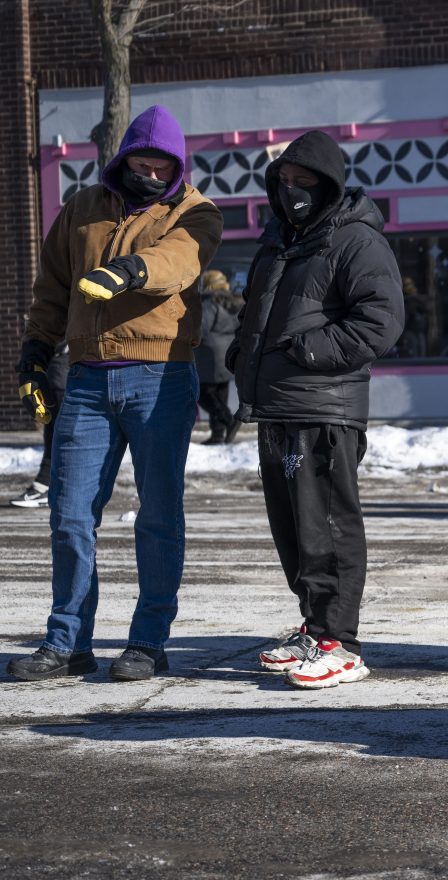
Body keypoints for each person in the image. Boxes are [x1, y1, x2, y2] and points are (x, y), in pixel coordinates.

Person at [8, 104, 223, 682]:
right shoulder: (81, 208)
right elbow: (52, 286)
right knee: (69, 512)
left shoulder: (196, 211)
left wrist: (128, 272)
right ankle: (67, 642)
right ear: (122, 159)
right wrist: (34, 352)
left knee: (157, 514)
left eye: (161, 169)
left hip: (161, 378)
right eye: (140, 165)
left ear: (176, 169)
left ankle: (148, 642)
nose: (149, 177)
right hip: (87, 378)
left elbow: (179, 261)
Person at [228, 129, 403, 689]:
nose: (293, 193)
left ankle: (341, 642)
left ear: (329, 188)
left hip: (325, 408)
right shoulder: (279, 242)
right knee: (293, 529)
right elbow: (257, 315)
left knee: (326, 523)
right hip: (277, 406)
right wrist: (241, 353)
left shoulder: (356, 241)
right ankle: (315, 625)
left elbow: (380, 320)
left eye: (306, 184)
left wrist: (309, 350)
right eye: (285, 182)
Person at [10, 342, 68, 508]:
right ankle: (48, 485)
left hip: (62, 375)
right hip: (56, 374)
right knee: (54, 432)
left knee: (60, 435)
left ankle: (47, 486)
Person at [195, 269, 241, 445]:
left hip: (210, 355)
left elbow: (201, 329)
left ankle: (229, 420)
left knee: (204, 393)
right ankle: (217, 435)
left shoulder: (209, 302)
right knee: (220, 394)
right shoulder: (233, 301)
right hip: (228, 352)